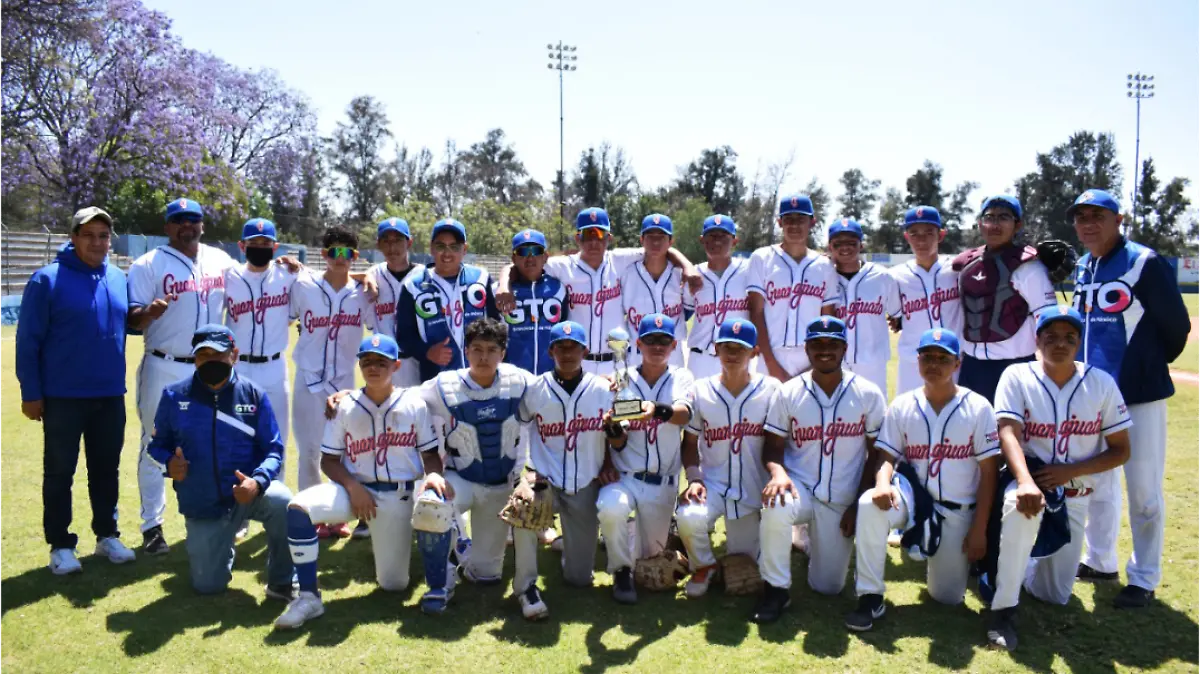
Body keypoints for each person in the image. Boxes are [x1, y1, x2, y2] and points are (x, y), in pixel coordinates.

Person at [983, 305, 1132, 651]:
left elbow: (1121, 450)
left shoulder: (1101, 382)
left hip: (1075, 492)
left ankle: (1017, 565)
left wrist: (1071, 471)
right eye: (1050, 337)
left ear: (1079, 342)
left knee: (1055, 595)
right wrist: (1024, 481)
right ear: (1037, 340)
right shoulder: (1017, 376)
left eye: (1069, 337)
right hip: (1028, 479)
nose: (1059, 344)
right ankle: (1002, 611)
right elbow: (1008, 431)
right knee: (1021, 508)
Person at [1068, 189, 1192, 608]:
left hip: (1138, 395)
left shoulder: (1144, 262)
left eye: (1097, 216)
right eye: (1081, 217)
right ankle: (1100, 560)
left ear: (1118, 220)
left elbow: (1176, 328)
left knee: (1143, 490)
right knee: (1098, 484)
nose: (1088, 224)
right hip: (1093, 397)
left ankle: (1144, 576)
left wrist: (1146, 368)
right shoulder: (1084, 265)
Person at [274, 334, 441, 628]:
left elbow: (429, 454)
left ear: (396, 365)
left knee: (394, 585)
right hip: (352, 491)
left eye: (381, 362)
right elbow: (329, 460)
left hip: (397, 496)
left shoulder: (415, 403)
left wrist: (434, 476)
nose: (373, 368)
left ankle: (419, 554)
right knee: (299, 507)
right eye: (367, 362)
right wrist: (353, 487)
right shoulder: (344, 406)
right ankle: (309, 597)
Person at [846, 328, 999, 631]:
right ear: (917, 361)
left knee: (946, 597)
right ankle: (870, 597)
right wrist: (882, 483)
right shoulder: (903, 404)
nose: (934, 363)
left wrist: (979, 529)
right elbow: (886, 456)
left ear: (957, 363)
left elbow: (989, 473)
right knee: (870, 504)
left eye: (943, 358)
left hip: (958, 512)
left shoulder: (978, 407)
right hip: (913, 501)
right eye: (927, 356)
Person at [17, 206, 136, 574]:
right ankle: (60, 545)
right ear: (73, 238)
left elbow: (123, 323)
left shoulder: (118, 277)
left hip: (109, 393)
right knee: (59, 472)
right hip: (63, 396)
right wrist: (31, 392)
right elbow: (28, 341)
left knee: (106, 469)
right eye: (89, 235)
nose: (97, 242)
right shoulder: (47, 280)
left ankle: (106, 536)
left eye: (103, 235)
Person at [752, 316, 886, 623]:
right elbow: (772, 447)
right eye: (817, 344)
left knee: (827, 586)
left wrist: (857, 505)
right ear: (807, 348)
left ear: (844, 348)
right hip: (799, 487)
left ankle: (805, 539)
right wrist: (779, 474)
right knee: (776, 503)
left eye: (832, 344)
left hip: (841, 497)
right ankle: (775, 590)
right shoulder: (789, 392)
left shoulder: (867, 393)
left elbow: (877, 454)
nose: (825, 350)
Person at [414, 318, 549, 618]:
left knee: (487, 575)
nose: (484, 357)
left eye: (491, 350)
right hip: (460, 478)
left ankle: (473, 554)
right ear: (466, 350)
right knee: (430, 504)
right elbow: (402, 400)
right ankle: (439, 583)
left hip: (501, 485)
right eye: (476, 349)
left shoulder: (520, 381)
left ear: (503, 352)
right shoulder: (444, 385)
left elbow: (554, 401)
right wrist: (351, 395)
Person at [148, 325, 294, 598]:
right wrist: (169, 463)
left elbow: (274, 449)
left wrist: (258, 482)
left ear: (234, 355)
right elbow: (156, 446)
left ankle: (282, 581)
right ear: (194, 359)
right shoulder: (174, 395)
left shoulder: (254, 396)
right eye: (203, 356)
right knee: (208, 587)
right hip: (203, 503)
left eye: (218, 355)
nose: (210, 362)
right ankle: (221, 544)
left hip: (246, 494)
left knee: (284, 502)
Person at [128, 198, 236, 556]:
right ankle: (152, 526)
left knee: (212, 441)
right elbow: (132, 321)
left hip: (210, 368)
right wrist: (148, 312)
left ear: (202, 224)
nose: (186, 225)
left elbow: (255, 280)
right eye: (179, 220)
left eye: (193, 219)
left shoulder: (220, 260)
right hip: (164, 362)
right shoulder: (148, 263)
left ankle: (210, 516)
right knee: (155, 443)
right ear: (167, 226)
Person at [495, 207, 701, 376]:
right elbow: (521, 265)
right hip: (578, 362)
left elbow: (661, 248)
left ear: (608, 238)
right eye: (587, 235)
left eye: (600, 234)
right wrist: (504, 284)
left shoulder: (621, 260)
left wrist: (687, 266)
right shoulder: (562, 266)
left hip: (617, 361)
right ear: (578, 238)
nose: (594, 242)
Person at [676, 318, 780, 598]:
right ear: (716, 349)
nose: (733, 354)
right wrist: (695, 478)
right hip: (714, 485)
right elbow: (690, 443)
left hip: (752, 488)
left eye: (740, 348)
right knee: (687, 516)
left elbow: (780, 444)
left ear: (755, 352)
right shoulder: (701, 390)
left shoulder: (771, 390)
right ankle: (704, 566)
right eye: (726, 347)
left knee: (744, 562)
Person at [598, 313, 694, 604]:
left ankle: (651, 542)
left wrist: (653, 409)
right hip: (626, 477)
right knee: (611, 506)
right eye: (650, 340)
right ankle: (620, 573)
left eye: (664, 340)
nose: (657, 346)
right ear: (637, 343)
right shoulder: (621, 379)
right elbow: (619, 438)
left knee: (650, 560)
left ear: (674, 344)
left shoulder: (681, 376)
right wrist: (613, 427)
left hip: (662, 483)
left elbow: (684, 414)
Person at [516, 320, 615, 588]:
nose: (568, 353)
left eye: (574, 347)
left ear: (585, 352)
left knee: (579, 579)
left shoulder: (604, 389)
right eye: (561, 347)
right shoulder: (536, 389)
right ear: (551, 352)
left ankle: (567, 548)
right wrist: (524, 470)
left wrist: (607, 464)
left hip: (585, 481)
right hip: (545, 481)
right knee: (522, 509)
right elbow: (518, 430)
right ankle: (525, 582)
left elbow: (613, 436)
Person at [289, 226, 373, 538]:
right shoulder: (303, 285)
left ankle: (339, 515)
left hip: (344, 383)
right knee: (309, 450)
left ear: (356, 257)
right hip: (308, 381)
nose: (341, 258)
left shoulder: (364, 294)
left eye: (347, 253)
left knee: (345, 452)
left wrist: (370, 278)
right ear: (324, 255)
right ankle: (312, 516)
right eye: (334, 252)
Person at [951, 195, 1056, 403]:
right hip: (972, 366)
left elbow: (1047, 320)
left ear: (1018, 225)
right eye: (989, 217)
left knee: (1015, 432)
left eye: (1004, 217)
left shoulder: (1029, 267)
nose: (995, 224)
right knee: (972, 432)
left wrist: (1049, 366)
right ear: (980, 223)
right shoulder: (965, 264)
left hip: (1016, 366)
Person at [747, 194, 841, 382]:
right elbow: (755, 313)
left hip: (810, 356)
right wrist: (772, 364)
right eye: (788, 219)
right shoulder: (762, 258)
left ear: (812, 222)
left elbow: (828, 319)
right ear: (779, 222)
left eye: (801, 219)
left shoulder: (824, 266)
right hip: (770, 354)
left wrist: (813, 366)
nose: (794, 225)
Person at [396, 218, 500, 383]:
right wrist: (427, 352)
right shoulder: (413, 286)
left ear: (464, 249)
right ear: (431, 248)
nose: (447, 253)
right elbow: (403, 336)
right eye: (440, 246)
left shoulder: (481, 278)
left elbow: (497, 324)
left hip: (481, 377)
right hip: (436, 380)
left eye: (454, 247)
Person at [223, 218, 295, 447]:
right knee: (238, 439)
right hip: (238, 367)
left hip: (275, 367)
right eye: (254, 242)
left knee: (277, 440)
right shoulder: (228, 275)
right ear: (241, 246)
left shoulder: (289, 274)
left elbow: (332, 279)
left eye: (266, 243)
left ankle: (276, 484)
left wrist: (369, 277)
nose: (260, 247)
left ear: (275, 247)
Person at [889, 206, 963, 395]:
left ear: (941, 235)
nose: (921, 240)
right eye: (914, 233)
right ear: (907, 237)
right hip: (913, 361)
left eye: (929, 232)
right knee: (910, 418)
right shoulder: (894, 277)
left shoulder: (958, 269)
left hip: (955, 359)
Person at [827, 218, 900, 397]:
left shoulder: (882, 277)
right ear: (830, 246)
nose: (845, 247)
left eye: (851, 242)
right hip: (835, 362)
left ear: (861, 244)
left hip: (873, 362)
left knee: (874, 418)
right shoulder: (822, 275)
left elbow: (897, 315)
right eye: (838, 243)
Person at [683, 214, 754, 380]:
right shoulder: (693, 275)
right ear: (702, 240)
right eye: (711, 236)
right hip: (700, 360)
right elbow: (684, 313)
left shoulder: (749, 271)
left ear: (735, 241)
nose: (716, 241)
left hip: (739, 357)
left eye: (723, 236)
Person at [619, 215, 688, 367]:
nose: (656, 242)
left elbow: (689, 311)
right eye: (650, 237)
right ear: (641, 240)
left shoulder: (681, 274)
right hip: (637, 357)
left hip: (673, 356)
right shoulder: (626, 274)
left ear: (671, 241)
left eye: (662, 237)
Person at [501, 228, 568, 375]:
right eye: (523, 252)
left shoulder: (559, 289)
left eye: (536, 251)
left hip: (552, 378)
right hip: (513, 379)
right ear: (514, 259)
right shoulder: (502, 292)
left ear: (545, 257)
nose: (530, 257)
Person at [366, 217, 424, 387]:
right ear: (378, 244)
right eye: (386, 241)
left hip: (417, 361)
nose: (392, 247)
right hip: (383, 362)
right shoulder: (374, 274)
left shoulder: (424, 276)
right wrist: (365, 276)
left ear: (409, 242)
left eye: (398, 240)